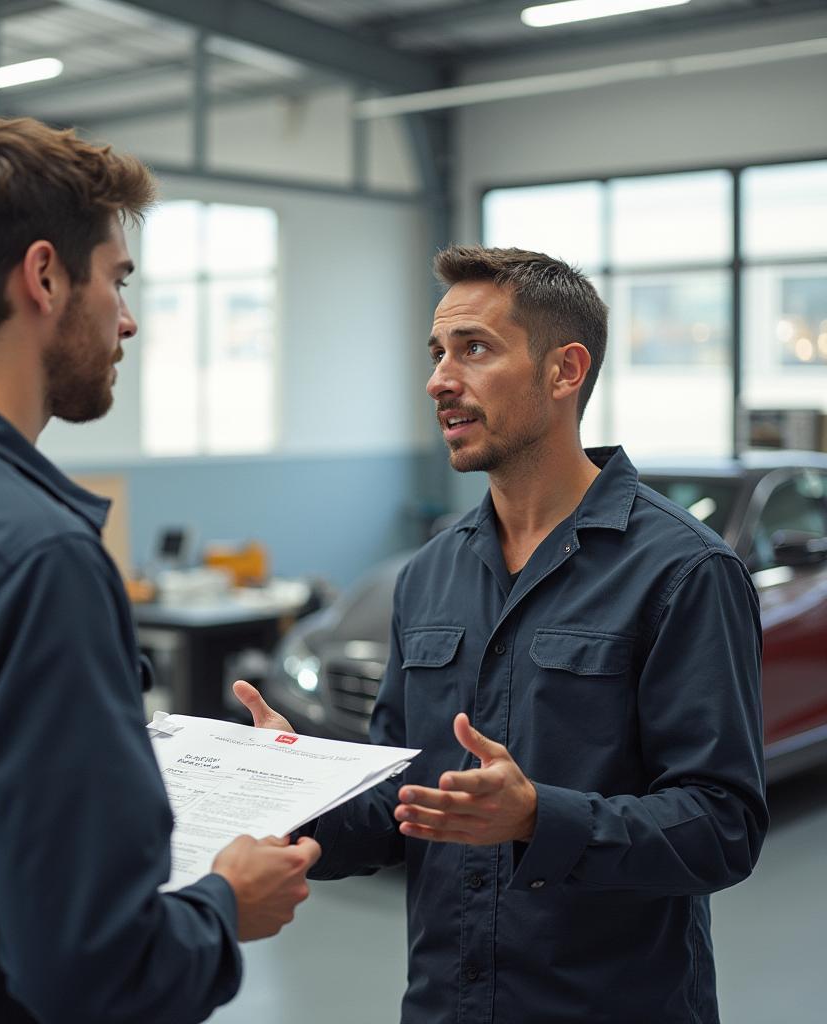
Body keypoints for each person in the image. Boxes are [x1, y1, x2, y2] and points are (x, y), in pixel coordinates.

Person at [0, 115, 319, 1024]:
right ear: (45, 275)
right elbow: (90, 972)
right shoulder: (35, 556)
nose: (124, 319)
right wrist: (225, 905)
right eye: (117, 280)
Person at [235, 245, 768, 1023]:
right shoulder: (428, 575)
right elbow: (397, 801)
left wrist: (536, 819)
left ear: (564, 371)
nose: (439, 380)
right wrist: (297, 792)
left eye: (474, 349)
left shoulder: (684, 572)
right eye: (436, 353)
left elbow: (725, 826)